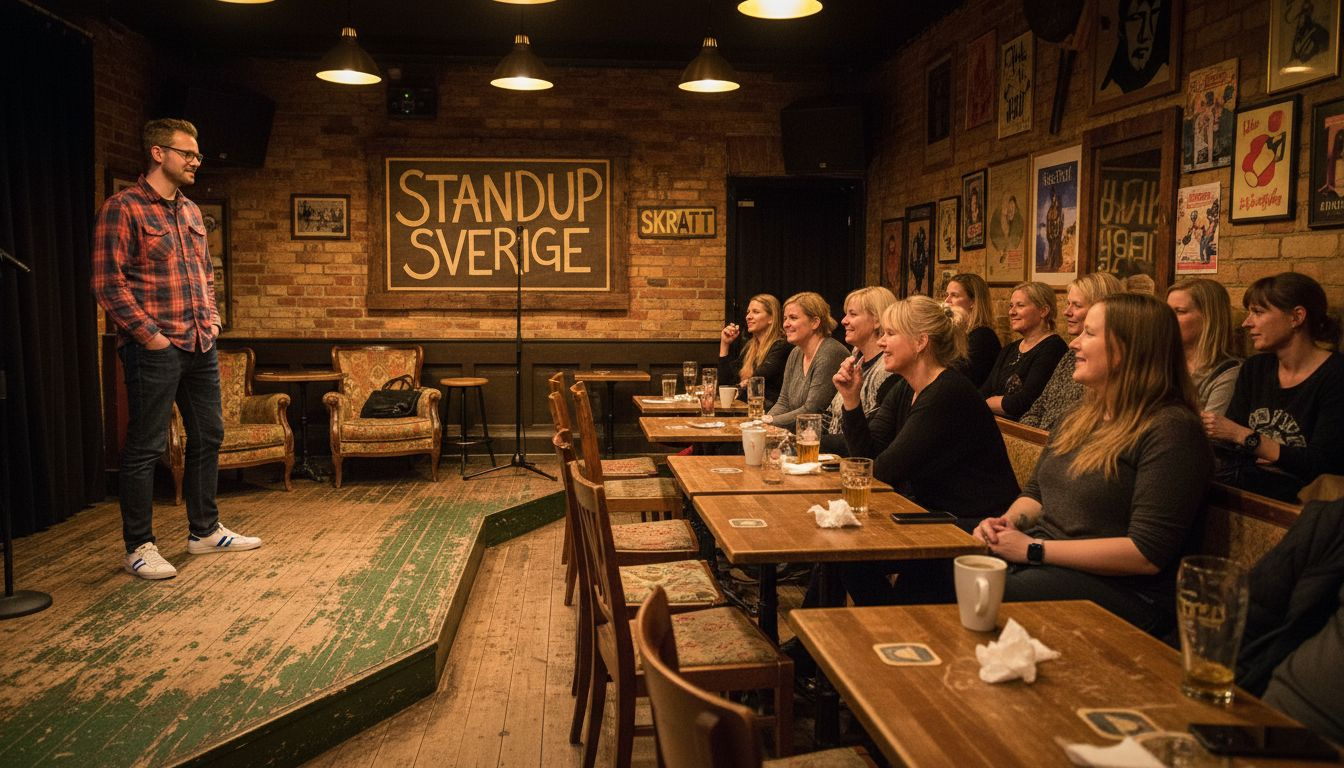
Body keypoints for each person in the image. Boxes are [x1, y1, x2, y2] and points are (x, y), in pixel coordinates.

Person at [975, 293, 1214, 636]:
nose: (1073, 344)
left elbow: (1145, 553)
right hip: (1048, 565)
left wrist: (1032, 550)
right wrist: (1004, 524)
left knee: (984, 590)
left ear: (1127, 349)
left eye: (1089, 333)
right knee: (946, 568)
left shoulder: (1171, 428)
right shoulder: (1080, 415)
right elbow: (1036, 492)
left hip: (1128, 595)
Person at [92, 118, 263, 581]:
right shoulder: (123, 208)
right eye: (187, 153)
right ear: (157, 153)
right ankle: (139, 546)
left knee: (209, 436)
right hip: (155, 347)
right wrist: (150, 335)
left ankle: (204, 531)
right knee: (145, 447)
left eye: (197, 155)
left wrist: (212, 319)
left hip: (200, 342)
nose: (195, 161)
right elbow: (107, 283)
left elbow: (206, 274)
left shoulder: (189, 210)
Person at [832, 297, 1019, 605]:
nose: (881, 342)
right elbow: (869, 457)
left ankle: (891, 628)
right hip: (930, 514)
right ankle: (837, 635)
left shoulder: (947, 393)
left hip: (973, 522)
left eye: (890, 333)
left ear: (920, 342)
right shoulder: (906, 387)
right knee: (840, 548)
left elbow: (882, 472)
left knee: (848, 550)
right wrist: (852, 400)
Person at [1203, 273, 1344, 502]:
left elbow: (1321, 464)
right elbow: (1231, 447)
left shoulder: (1335, 375)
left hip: (1305, 505)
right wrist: (1277, 452)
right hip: (1248, 488)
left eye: (1258, 312)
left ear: (1296, 317)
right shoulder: (1256, 368)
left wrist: (1247, 438)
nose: (1246, 322)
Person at [1020, 272, 1124, 430]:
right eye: (1068, 304)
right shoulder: (1070, 356)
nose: (1066, 312)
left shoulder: (1107, 367)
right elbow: (1037, 408)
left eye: (1077, 305)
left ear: (1102, 309)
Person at [981, 281, 1068, 419]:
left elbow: (1025, 402)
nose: (1011, 312)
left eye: (1020, 306)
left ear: (1043, 311)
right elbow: (984, 391)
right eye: (1011, 306)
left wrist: (986, 403)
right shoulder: (1009, 349)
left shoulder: (1053, 348)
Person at [762, 292, 849, 429]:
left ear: (815, 322)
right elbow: (784, 402)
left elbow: (812, 410)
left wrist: (768, 422)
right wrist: (765, 422)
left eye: (793, 318)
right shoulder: (796, 352)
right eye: (785, 318)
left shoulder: (830, 353)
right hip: (799, 432)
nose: (786, 324)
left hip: (821, 438)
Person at [823, 286, 898, 434]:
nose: (844, 321)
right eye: (846, 314)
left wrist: (812, 442)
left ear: (877, 320)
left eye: (853, 314)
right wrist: (802, 434)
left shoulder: (888, 370)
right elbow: (829, 417)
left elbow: (865, 438)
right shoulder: (856, 360)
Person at [1166, 278, 1241, 415]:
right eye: (1167, 311)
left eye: (1180, 311)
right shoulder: (1164, 362)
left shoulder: (1228, 372)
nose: (1168, 318)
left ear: (1209, 317)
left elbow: (1210, 432)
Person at [717, 293, 790, 410]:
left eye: (755, 312)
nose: (748, 317)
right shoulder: (750, 347)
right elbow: (725, 385)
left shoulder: (781, 346)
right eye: (748, 312)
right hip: (746, 411)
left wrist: (740, 386)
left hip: (769, 414)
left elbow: (758, 378)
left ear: (771, 318)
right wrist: (724, 344)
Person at [942, 273, 1000, 387]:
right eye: (947, 294)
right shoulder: (957, 332)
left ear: (973, 301)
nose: (947, 300)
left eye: (954, 295)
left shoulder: (982, 336)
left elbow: (958, 379)